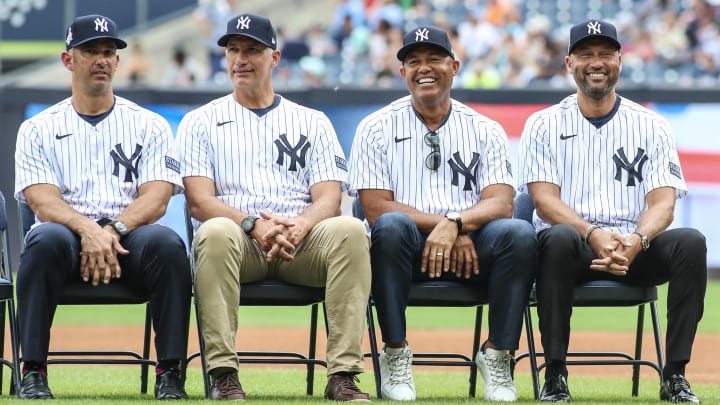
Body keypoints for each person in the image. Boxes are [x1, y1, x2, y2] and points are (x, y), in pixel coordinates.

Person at [176, 13, 372, 402]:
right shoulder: (200, 122)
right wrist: (252, 224)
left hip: (302, 243)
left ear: (275, 57)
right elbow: (199, 201)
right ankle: (223, 375)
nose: (241, 59)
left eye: (252, 50)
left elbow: (330, 199)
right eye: (233, 50)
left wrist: (300, 225)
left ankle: (343, 377)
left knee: (350, 230)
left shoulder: (312, 121)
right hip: (237, 241)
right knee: (213, 231)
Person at [517, 19, 707, 403]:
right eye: (586, 54)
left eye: (606, 53)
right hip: (571, 248)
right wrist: (592, 233)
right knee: (556, 237)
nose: (596, 62)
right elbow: (543, 201)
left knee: (691, 242)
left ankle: (675, 375)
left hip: (633, 248)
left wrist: (637, 240)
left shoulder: (651, 125)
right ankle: (555, 374)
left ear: (620, 60)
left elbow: (663, 203)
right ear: (569, 63)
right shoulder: (543, 123)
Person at [348, 25, 537, 402]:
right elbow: (373, 206)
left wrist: (458, 224)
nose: (424, 68)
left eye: (435, 58)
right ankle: (396, 353)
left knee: (519, 233)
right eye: (413, 61)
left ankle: (498, 355)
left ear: (455, 66)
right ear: (402, 72)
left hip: (474, 252)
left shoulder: (485, 128)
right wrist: (449, 226)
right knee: (390, 225)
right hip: (406, 251)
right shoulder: (375, 127)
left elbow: (502, 202)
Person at [13, 14, 192, 400]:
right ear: (68, 60)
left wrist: (111, 230)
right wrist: (89, 230)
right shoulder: (38, 127)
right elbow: (42, 201)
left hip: (127, 241)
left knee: (167, 245)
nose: (101, 59)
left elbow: (158, 197)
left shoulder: (150, 124)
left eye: (109, 52)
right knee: (42, 239)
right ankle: (33, 372)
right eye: (90, 51)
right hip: (65, 242)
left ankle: (171, 372)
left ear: (117, 62)